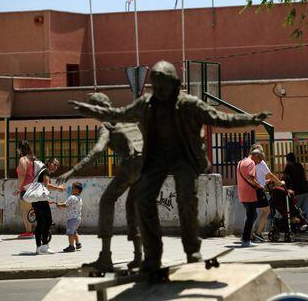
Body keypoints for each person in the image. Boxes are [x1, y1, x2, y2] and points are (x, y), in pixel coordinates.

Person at [70, 60, 271, 274]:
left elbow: (220, 118)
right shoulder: (146, 103)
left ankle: (192, 249)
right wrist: (90, 109)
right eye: (155, 87)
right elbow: (120, 114)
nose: (159, 92)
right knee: (143, 199)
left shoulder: (189, 104)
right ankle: (153, 254)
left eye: (163, 87)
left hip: (183, 158)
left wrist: (250, 119)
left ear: (174, 84)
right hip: (156, 159)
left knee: (187, 198)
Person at [57, 92, 143, 271]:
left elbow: (97, 152)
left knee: (106, 201)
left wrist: (72, 171)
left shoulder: (106, 126)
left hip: (132, 165)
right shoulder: (126, 117)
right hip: (147, 167)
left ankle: (105, 257)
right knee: (132, 208)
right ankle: (138, 256)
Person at [249, 144, 283, 242]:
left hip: (250, 189)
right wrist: (279, 183)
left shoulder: (250, 162)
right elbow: (270, 175)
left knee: (252, 213)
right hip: (259, 190)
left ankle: (250, 234)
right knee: (266, 211)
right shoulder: (261, 163)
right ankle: (258, 233)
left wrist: (264, 181)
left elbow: (258, 176)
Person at [33, 158, 64, 254]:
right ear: (49, 163)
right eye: (54, 164)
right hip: (41, 200)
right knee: (48, 221)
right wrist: (58, 188)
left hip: (35, 200)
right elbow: (47, 185)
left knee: (40, 223)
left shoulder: (41, 171)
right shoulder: (45, 171)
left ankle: (39, 247)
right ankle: (45, 246)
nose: (55, 167)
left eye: (57, 166)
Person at [237, 149, 266, 247]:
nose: (259, 162)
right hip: (250, 194)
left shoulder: (240, 162)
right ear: (256, 156)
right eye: (259, 160)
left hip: (242, 193)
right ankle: (246, 240)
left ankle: (245, 238)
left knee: (252, 216)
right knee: (251, 217)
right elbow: (250, 178)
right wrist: (259, 186)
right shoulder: (251, 163)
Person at [282, 152, 308, 223]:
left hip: (297, 192)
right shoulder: (300, 165)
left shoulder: (289, 166)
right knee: (306, 209)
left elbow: (283, 178)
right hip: (307, 190)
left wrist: (279, 183)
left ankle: (298, 225)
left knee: (296, 209)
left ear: (287, 160)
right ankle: (307, 224)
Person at [14, 140, 35, 238]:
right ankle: (32, 231)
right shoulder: (33, 159)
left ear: (20, 149)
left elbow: (22, 174)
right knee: (32, 210)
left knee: (25, 211)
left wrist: (18, 188)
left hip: (25, 188)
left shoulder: (23, 159)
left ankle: (29, 232)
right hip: (34, 188)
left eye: (18, 149)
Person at [57, 182, 83, 252]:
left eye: (72, 188)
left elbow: (65, 205)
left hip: (72, 218)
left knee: (70, 233)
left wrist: (59, 205)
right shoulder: (80, 198)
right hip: (78, 218)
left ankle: (71, 246)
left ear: (76, 190)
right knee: (74, 231)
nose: (71, 189)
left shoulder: (71, 197)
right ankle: (78, 243)